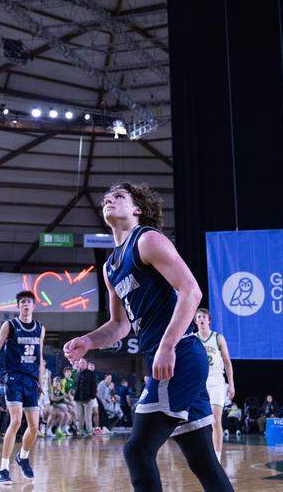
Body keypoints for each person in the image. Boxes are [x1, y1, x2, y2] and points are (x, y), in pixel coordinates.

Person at [64, 182, 232, 491]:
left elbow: (191, 291)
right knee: (203, 461)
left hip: (179, 353)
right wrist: (87, 341)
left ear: (137, 209)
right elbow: (119, 326)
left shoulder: (148, 239)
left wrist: (167, 345)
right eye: (106, 199)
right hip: (176, 359)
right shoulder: (110, 266)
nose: (109, 201)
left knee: (137, 450)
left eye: (119, 197)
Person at [0, 289, 45, 484]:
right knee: (15, 422)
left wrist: (41, 379)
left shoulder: (40, 328)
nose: (26, 305)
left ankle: (22, 457)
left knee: (35, 427)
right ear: (18, 306)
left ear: (34, 306)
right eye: (22, 302)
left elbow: (40, 356)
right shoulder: (10, 325)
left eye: (29, 302)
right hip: (14, 379)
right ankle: (3, 469)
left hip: (31, 381)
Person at [194, 308, 235, 460]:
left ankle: (216, 458)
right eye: (199, 317)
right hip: (199, 381)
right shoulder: (193, 338)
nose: (201, 319)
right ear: (195, 321)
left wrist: (231, 384)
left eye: (204, 316)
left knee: (216, 420)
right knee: (199, 421)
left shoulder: (218, 337)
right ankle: (204, 454)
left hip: (217, 380)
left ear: (209, 320)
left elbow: (227, 362)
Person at [75, 360, 98, 437]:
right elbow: (76, 386)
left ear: (86, 364)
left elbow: (94, 386)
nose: (81, 364)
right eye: (80, 363)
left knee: (88, 417)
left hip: (88, 398)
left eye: (83, 363)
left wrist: (92, 396)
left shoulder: (91, 373)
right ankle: (79, 432)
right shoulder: (77, 373)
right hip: (78, 399)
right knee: (79, 416)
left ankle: (89, 432)